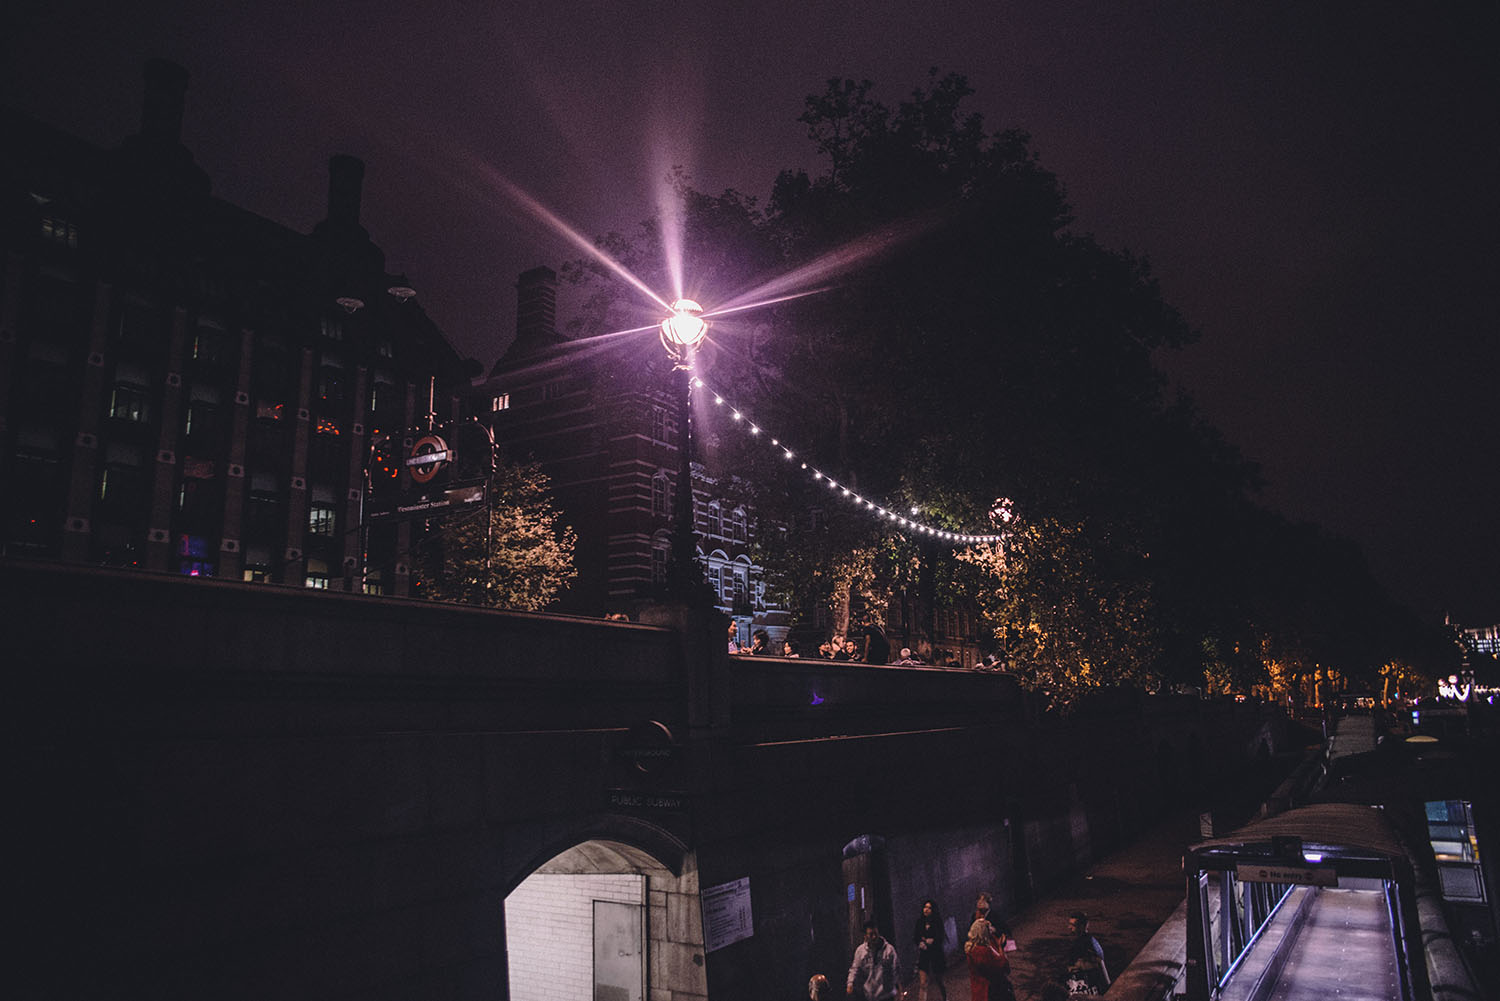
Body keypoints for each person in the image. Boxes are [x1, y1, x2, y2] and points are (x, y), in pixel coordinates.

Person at [845, 921, 899, 1000]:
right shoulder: (860, 952)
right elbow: (855, 969)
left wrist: (899, 990)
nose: (874, 937)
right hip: (870, 996)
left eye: (876, 934)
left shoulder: (889, 950)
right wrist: (850, 984)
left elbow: (896, 970)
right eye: (871, 934)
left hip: (887, 995)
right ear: (865, 936)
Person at [964, 918, 1015, 1001]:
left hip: (979, 988)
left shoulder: (971, 948)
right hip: (992, 990)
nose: (992, 930)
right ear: (984, 932)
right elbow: (1001, 967)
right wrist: (1000, 948)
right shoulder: (983, 951)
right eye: (990, 928)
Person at [1063, 911, 1110, 996]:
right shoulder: (1091, 941)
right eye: (1069, 924)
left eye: (1073, 925)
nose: (1069, 927)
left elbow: (1098, 964)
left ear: (1081, 926)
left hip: (1089, 989)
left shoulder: (1085, 945)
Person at [911, 899, 947, 1001]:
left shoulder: (937, 922)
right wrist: (920, 943)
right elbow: (916, 936)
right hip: (924, 955)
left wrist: (933, 941)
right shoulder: (920, 922)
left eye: (929, 908)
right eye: (925, 907)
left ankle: (945, 997)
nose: (926, 910)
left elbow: (940, 937)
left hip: (936, 954)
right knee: (923, 983)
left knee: (939, 980)